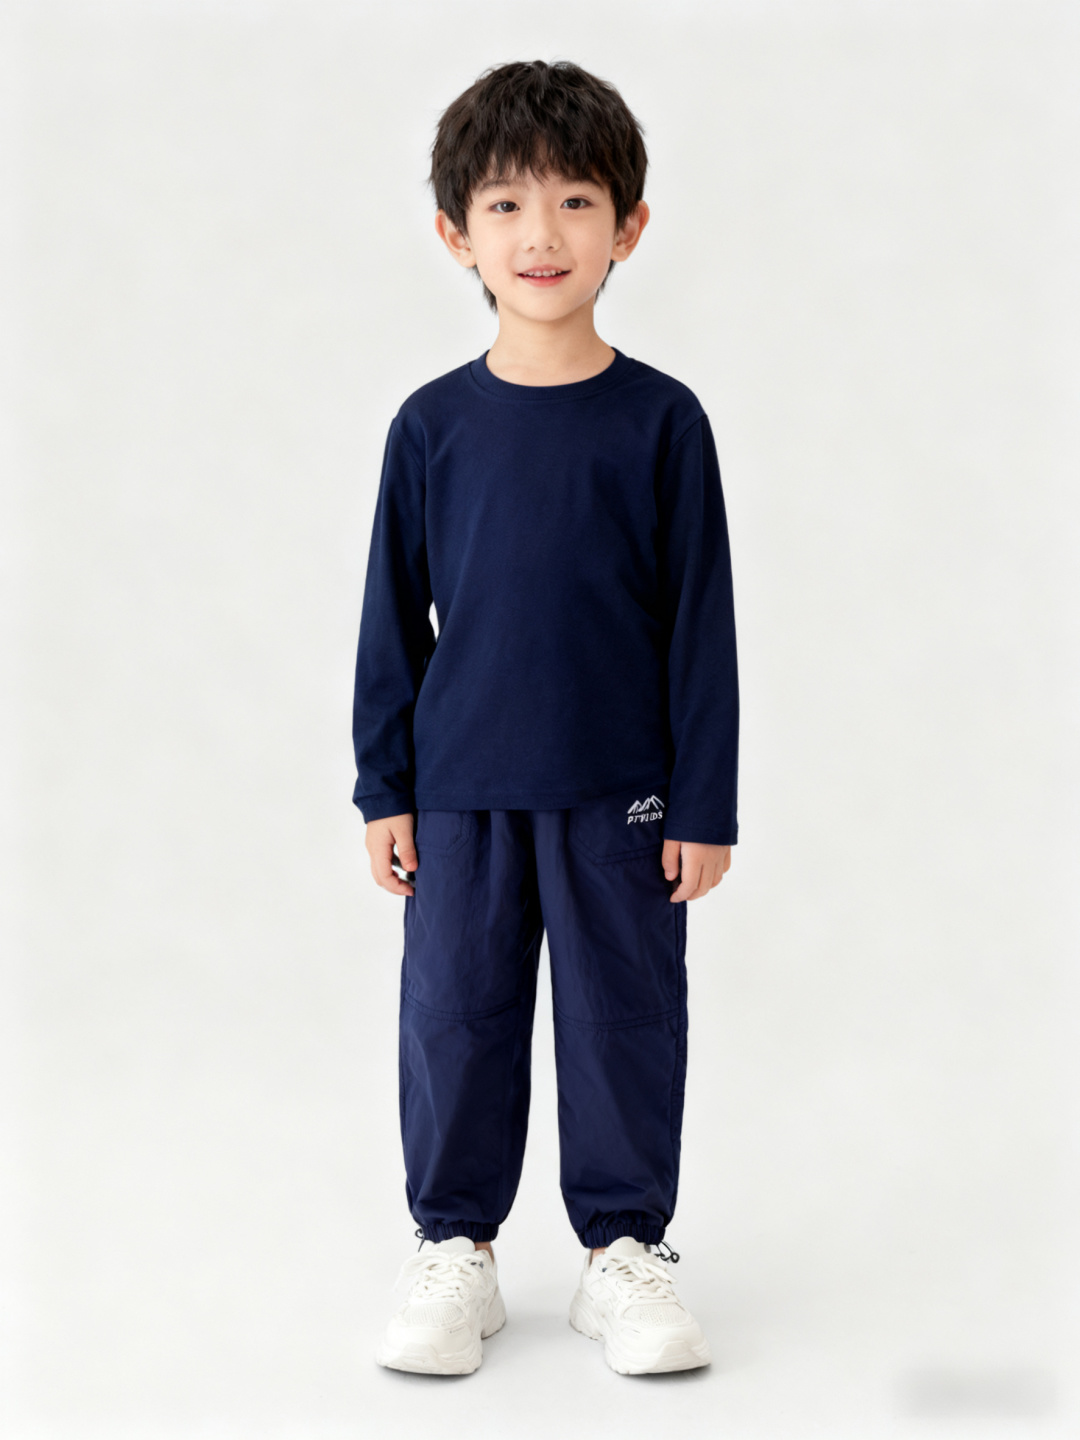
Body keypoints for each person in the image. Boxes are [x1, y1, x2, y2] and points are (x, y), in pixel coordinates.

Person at [352, 58, 739, 1377]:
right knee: (455, 1016)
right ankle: (454, 1249)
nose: (542, 233)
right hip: (461, 788)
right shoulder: (430, 428)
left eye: (576, 201)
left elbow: (700, 628)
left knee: (625, 1016)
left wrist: (702, 803)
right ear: (455, 232)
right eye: (507, 204)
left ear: (628, 226)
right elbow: (391, 623)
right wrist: (384, 787)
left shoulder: (663, 422)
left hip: (622, 789)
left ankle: (625, 1251)